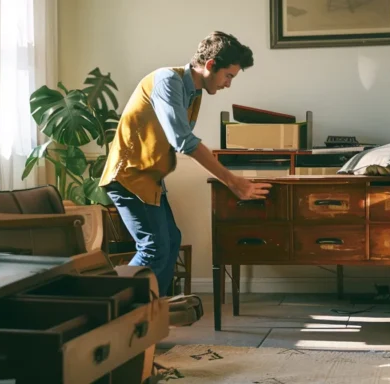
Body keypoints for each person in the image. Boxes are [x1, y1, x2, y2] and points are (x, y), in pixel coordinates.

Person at [99, 31, 271, 297]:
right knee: (153, 248)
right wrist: (233, 180)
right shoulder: (168, 81)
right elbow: (183, 141)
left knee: (171, 241)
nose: (228, 84)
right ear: (211, 65)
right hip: (129, 177)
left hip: (150, 180)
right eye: (228, 76)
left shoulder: (195, 92)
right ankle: (109, 306)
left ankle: (156, 313)